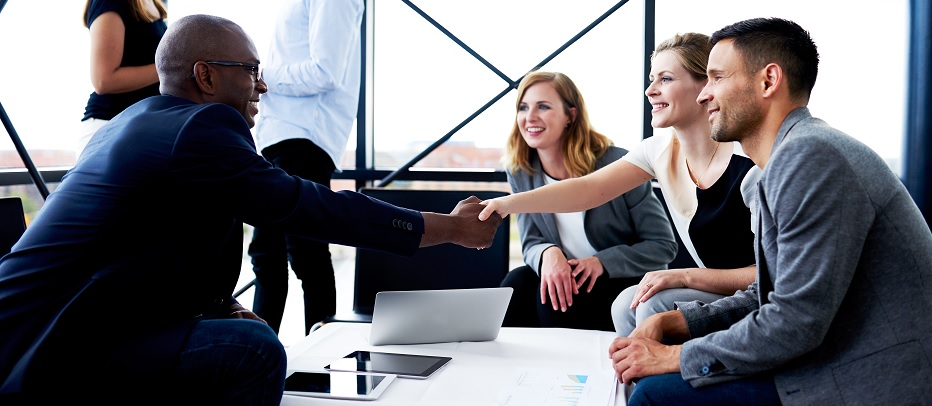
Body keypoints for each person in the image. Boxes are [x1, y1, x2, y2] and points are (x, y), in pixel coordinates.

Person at [0, 14, 502, 405]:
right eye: (252, 72)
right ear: (206, 76)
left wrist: (220, 305)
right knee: (251, 352)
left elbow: (142, 251)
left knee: (241, 331)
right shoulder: (200, 130)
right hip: (50, 348)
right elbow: (309, 207)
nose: (262, 86)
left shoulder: (133, 125)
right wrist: (453, 229)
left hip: (37, 332)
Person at [609, 18, 932, 406]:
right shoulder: (782, 164)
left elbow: (796, 321)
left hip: (860, 379)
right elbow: (772, 293)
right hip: (827, 357)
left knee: (654, 396)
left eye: (716, 78)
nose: (702, 95)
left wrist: (672, 356)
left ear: (768, 81)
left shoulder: (811, 157)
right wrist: (677, 320)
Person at [479, 33, 760, 337]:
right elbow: (586, 190)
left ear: (706, 86)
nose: (650, 91)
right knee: (533, 286)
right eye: (652, 80)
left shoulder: (752, 165)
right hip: (711, 288)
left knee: (638, 303)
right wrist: (506, 204)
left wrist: (686, 277)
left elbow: (778, 275)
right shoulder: (656, 150)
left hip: (759, 292)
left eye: (665, 79)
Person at [498, 71, 676, 331]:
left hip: (619, 279)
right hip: (568, 275)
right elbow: (531, 243)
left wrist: (601, 262)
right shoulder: (521, 171)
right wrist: (549, 253)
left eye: (543, 106)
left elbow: (663, 246)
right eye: (523, 108)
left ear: (570, 116)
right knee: (516, 284)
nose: (530, 117)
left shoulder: (617, 163)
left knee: (554, 301)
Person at [247, 0, 364, 337]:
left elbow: (325, 72)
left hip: (303, 137)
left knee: (304, 251)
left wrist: (261, 75)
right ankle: (260, 355)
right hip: (282, 137)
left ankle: (318, 366)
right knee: (268, 254)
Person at [79, 0, 167, 157]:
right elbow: (103, 80)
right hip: (109, 126)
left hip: (140, 126)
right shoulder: (110, 3)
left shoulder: (153, 3)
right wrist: (170, 68)